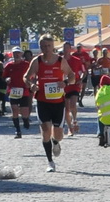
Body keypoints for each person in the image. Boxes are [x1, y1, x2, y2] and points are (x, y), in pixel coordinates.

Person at [28, 37, 77, 170]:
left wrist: (65, 82)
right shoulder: (37, 61)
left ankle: (55, 142)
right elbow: (27, 77)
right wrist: (32, 84)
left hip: (58, 102)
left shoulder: (60, 61)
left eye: (49, 45)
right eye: (43, 46)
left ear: (53, 46)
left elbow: (72, 76)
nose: (46, 48)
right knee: (45, 131)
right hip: (42, 101)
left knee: (58, 134)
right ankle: (50, 162)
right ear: (40, 47)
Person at [1, 48, 32, 137]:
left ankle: (25, 120)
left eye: (18, 53)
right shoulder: (9, 65)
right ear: (12, 54)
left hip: (24, 90)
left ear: (21, 54)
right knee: (14, 110)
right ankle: (18, 130)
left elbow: (32, 75)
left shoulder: (26, 65)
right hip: (13, 90)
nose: (17, 55)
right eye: (15, 53)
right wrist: (6, 79)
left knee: (24, 112)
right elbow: (4, 77)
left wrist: (29, 83)